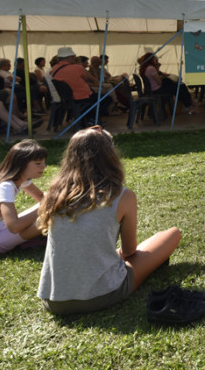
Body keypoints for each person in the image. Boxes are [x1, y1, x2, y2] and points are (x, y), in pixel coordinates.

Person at [37, 126, 181, 315]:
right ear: (110, 155)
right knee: (172, 234)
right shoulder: (121, 195)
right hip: (103, 294)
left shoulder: (54, 196)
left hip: (53, 300)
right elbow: (129, 252)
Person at [0, 140, 47, 265]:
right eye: (38, 163)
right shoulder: (6, 186)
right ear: (21, 165)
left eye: (43, 162)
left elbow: (42, 197)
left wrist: (49, 202)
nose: (44, 166)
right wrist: (43, 208)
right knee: (50, 216)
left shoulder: (17, 178)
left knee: (52, 205)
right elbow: (14, 226)